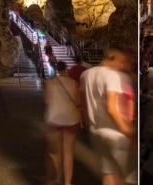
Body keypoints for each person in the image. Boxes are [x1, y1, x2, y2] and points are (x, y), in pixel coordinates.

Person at [80, 48, 136, 185]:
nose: (124, 65)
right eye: (121, 61)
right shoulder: (114, 76)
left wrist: (85, 124)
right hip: (116, 133)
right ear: (111, 58)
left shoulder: (86, 75)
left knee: (109, 173)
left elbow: (83, 104)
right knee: (129, 177)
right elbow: (112, 107)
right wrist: (128, 130)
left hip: (96, 131)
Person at [44, 61, 81, 185]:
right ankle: (67, 182)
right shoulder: (73, 83)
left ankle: (56, 178)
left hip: (54, 118)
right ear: (66, 70)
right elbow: (77, 102)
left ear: (57, 70)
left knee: (56, 152)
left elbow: (47, 101)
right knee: (68, 152)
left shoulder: (49, 82)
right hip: (70, 119)